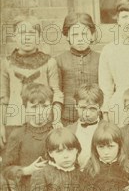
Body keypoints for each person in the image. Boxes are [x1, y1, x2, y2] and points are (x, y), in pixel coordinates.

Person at [1, 15, 62, 144]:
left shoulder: (49, 62)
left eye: (32, 33)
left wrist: (56, 119)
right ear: (14, 37)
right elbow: (3, 98)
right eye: (22, 33)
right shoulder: (6, 63)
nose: (27, 37)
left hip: (43, 122)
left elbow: (56, 94)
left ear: (39, 37)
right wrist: (1, 124)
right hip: (14, 122)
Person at [55, 12, 101, 125]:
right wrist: (56, 120)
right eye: (75, 35)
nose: (80, 39)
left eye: (85, 34)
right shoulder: (59, 60)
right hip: (68, 118)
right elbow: (57, 92)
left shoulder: (100, 59)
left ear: (92, 35)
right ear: (67, 37)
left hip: (95, 117)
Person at [66, 83, 103, 168]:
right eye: (83, 108)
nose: (87, 114)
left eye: (92, 109)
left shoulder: (107, 129)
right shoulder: (68, 131)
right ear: (76, 105)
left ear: (100, 108)